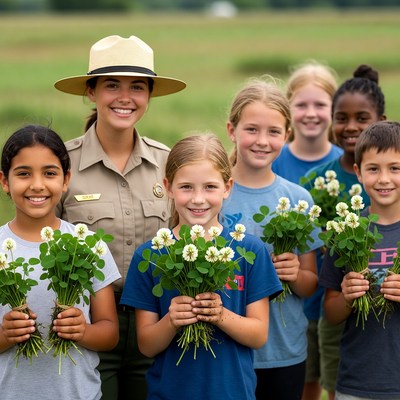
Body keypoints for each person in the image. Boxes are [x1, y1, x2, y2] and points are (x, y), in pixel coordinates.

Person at [54, 35, 186, 399]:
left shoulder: (167, 162)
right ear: (91, 92)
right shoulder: (61, 165)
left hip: (156, 321)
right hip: (88, 323)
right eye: (112, 85)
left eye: (137, 87)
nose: (125, 97)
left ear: (149, 96)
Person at [120, 133, 283, 400]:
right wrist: (171, 320)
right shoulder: (150, 255)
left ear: (227, 187)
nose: (198, 199)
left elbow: (258, 335)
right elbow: (146, 345)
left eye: (210, 187)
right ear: (168, 187)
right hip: (171, 393)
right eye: (186, 187)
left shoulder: (248, 251)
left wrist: (220, 315)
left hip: (232, 393)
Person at [0, 125, 121, 400]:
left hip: (78, 394)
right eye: (23, 174)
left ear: (66, 179)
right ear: (4, 181)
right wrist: (5, 334)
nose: (37, 185)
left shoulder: (88, 245)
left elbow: (109, 332)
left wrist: (83, 331)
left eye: (50, 173)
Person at [221, 77, 322, 400]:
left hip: (283, 350)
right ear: (231, 130)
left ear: (287, 135)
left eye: (274, 132)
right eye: (251, 129)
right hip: (224, 347)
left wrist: (295, 273)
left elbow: (309, 284)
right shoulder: (211, 194)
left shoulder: (297, 198)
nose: (262, 141)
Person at [305, 64, 386, 400]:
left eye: (362, 118)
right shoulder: (316, 181)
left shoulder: (386, 181)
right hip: (332, 303)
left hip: (383, 315)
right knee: (332, 385)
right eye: (342, 118)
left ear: (381, 119)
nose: (350, 127)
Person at [271, 61, 342, 400]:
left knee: (331, 381)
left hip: (336, 298)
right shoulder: (271, 157)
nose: (310, 113)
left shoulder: (348, 162)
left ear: (333, 109)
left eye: (320, 104)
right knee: (300, 383)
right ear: (288, 110)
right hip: (284, 302)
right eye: (301, 104)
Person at [319, 120, 400, 399]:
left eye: (395, 168)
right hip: (358, 382)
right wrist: (347, 297)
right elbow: (331, 314)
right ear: (358, 172)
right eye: (373, 169)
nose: (384, 179)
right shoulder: (345, 231)